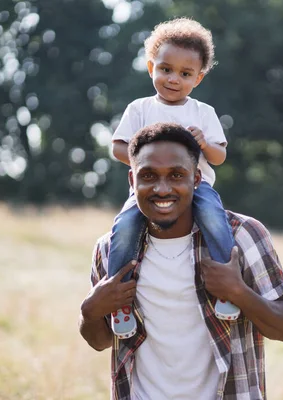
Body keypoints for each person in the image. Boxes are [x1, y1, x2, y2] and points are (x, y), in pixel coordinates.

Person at [79, 122, 283, 400]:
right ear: (132, 181)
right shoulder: (112, 249)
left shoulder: (241, 236)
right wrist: (90, 311)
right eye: (148, 176)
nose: (162, 189)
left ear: (196, 179)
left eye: (176, 175)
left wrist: (238, 293)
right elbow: (100, 341)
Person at [108, 17, 238, 339]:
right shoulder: (139, 109)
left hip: (197, 186)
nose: (173, 79)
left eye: (185, 73)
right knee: (123, 229)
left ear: (199, 77)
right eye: (165, 69)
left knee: (214, 218)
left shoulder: (202, 113)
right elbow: (117, 147)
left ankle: (227, 287)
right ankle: (119, 300)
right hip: (147, 189)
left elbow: (219, 157)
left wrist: (205, 143)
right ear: (151, 66)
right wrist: (146, 163)